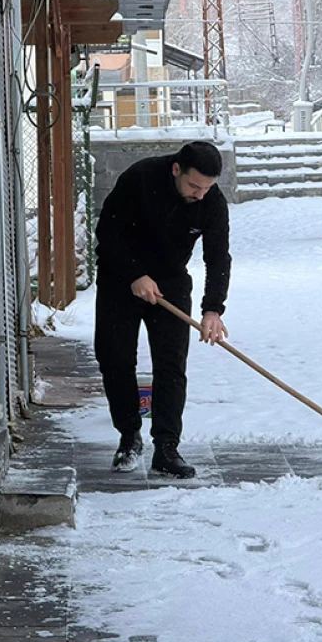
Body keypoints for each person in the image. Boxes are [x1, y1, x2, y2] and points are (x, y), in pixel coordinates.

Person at [94, 141, 232, 478]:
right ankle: (129, 438)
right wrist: (134, 275)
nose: (200, 194)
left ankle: (167, 449)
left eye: (207, 187)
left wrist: (213, 310)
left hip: (170, 282)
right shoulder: (140, 178)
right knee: (115, 358)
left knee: (171, 365)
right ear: (176, 170)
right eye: (194, 185)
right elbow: (107, 232)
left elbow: (217, 257)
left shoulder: (211, 202)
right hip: (119, 279)